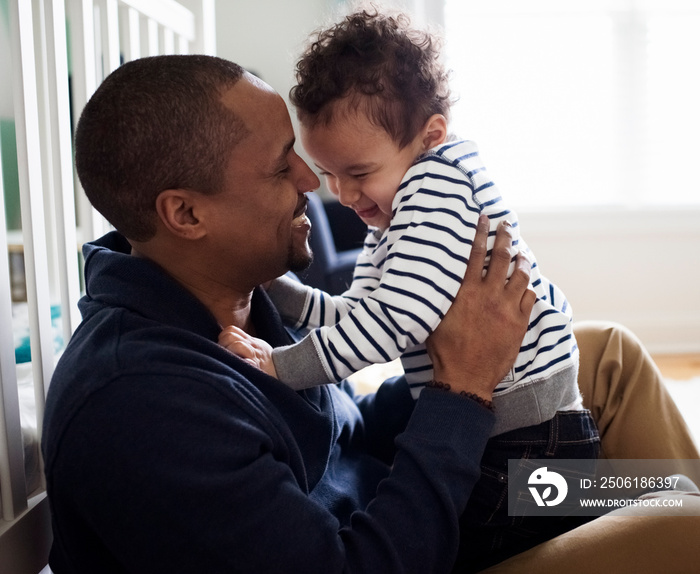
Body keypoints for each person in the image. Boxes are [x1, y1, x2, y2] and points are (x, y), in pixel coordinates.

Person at [41, 54, 700, 574]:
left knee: (605, 354)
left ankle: (625, 507)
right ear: (186, 214)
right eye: (281, 167)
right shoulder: (143, 407)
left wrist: (473, 354)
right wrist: (462, 388)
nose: (311, 180)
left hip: (429, 505)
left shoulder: (244, 298)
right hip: (416, 549)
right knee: (685, 526)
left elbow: (351, 436)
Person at [218, 10, 598, 569]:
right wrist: (279, 287)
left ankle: (656, 512)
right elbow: (360, 313)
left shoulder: (434, 183)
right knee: (591, 509)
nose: (343, 195)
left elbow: (398, 321)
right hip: (527, 428)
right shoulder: (393, 214)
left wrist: (281, 368)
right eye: (329, 176)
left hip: (524, 439)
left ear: (430, 137)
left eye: (359, 171)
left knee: (484, 550)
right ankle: (644, 499)